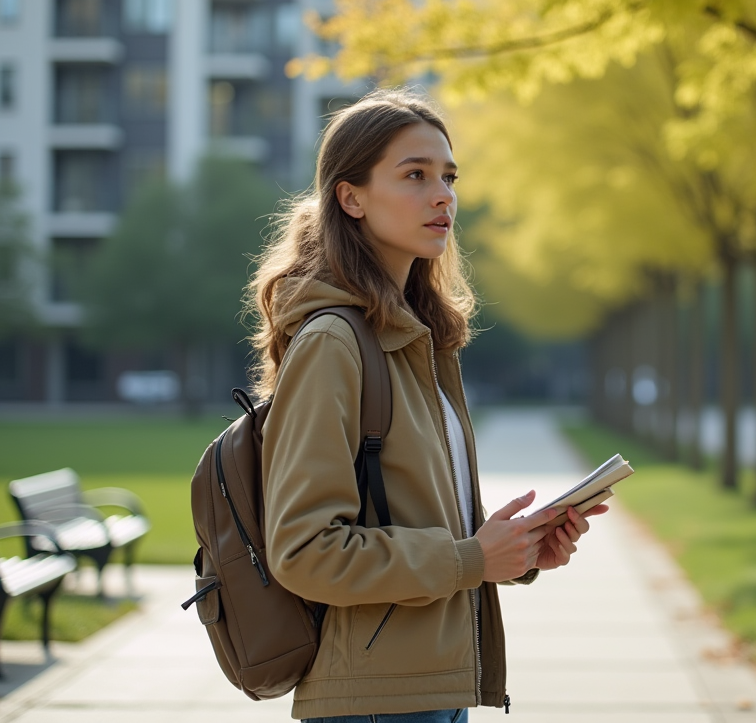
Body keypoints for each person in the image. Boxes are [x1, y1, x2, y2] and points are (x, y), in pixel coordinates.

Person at [246, 88, 605, 723]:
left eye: (448, 177)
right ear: (351, 198)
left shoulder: (416, 339)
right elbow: (304, 550)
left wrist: (511, 552)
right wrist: (471, 557)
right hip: (378, 702)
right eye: (415, 176)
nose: (443, 196)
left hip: (427, 688)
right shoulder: (335, 342)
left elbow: (407, 517)